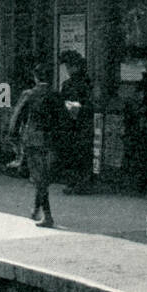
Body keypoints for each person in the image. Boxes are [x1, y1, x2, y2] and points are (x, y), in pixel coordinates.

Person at [10, 63, 67, 228]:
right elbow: (64, 120)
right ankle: (35, 209)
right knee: (42, 177)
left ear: (35, 77)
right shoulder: (56, 95)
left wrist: (13, 137)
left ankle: (47, 216)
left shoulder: (29, 94)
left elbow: (17, 117)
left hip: (33, 141)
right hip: (52, 141)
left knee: (39, 178)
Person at [59, 51, 95, 194]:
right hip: (72, 122)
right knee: (73, 152)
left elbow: (92, 103)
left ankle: (81, 183)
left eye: (70, 67)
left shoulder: (87, 83)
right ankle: (73, 182)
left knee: (81, 152)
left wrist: (79, 107)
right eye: (67, 67)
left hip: (82, 122)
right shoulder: (67, 84)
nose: (68, 70)